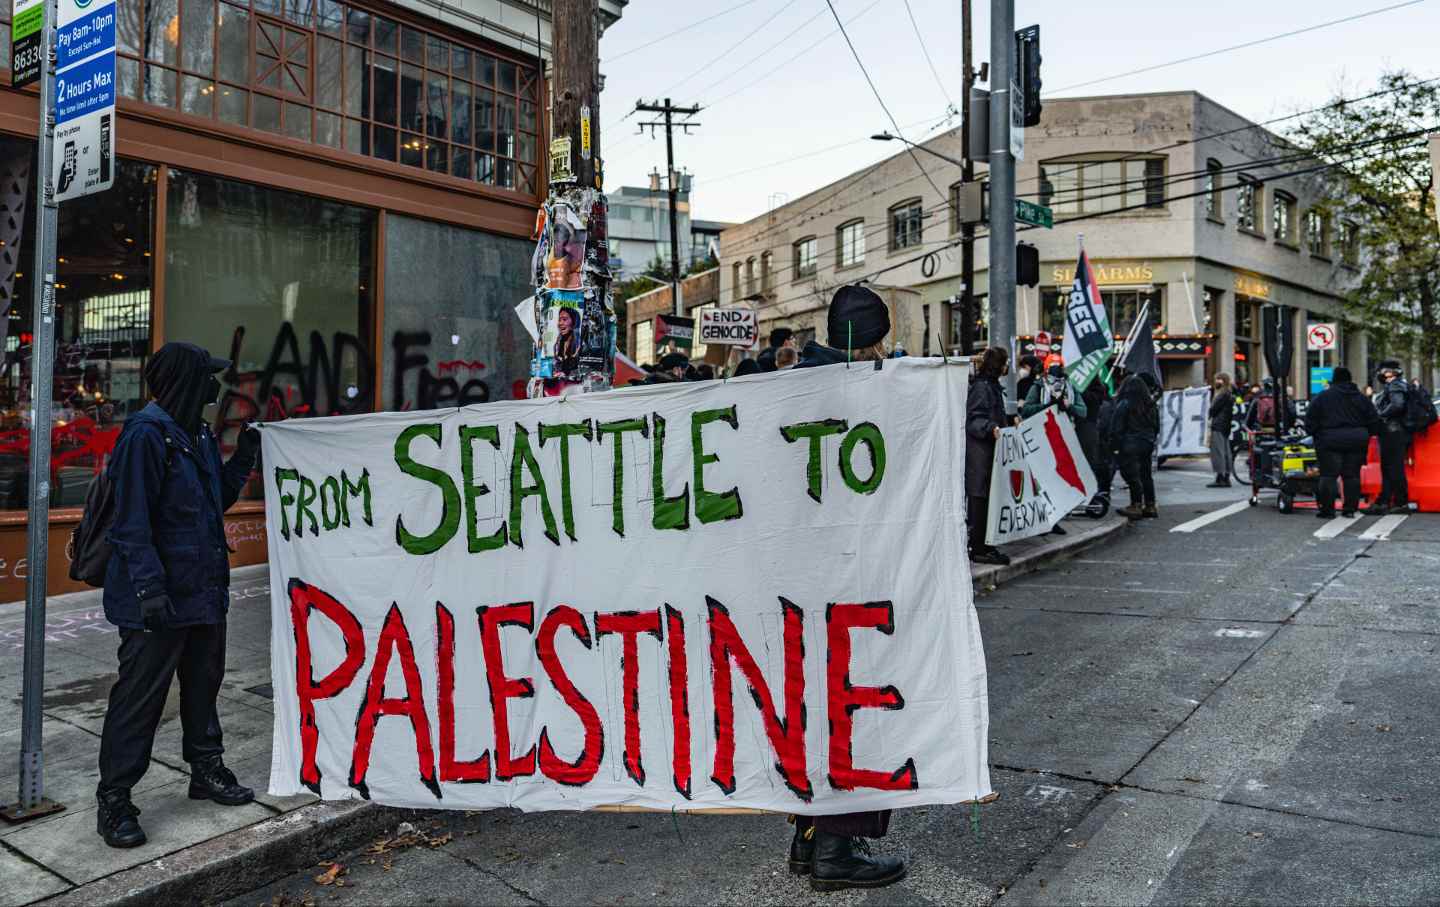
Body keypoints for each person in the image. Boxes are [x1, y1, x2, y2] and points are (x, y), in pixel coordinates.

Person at [96, 342, 261, 849]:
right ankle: (115, 797)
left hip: (204, 590)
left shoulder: (198, 435)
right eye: (206, 378)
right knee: (140, 697)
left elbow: (217, 502)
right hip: (159, 598)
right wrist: (149, 589)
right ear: (184, 381)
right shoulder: (146, 436)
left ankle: (205, 768)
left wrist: (243, 461)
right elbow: (130, 521)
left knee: (203, 682)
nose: (214, 388)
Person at [788, 285, 906, 891]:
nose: (885, 350)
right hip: (845, 576)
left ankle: (810, 842)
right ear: (863, 339)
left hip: (800, 581)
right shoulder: (852, 391)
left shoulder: (790, 387)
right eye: (880, 338)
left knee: (814, 708)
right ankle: (836, 851)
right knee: (852, 710)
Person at [1305, 366, 1380, 518]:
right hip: (1356, 440)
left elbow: (1310, 420)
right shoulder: (1361, 398)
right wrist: (1365, 434)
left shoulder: (1323, 397)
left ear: (1334, 379)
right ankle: (1350, 509)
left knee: (1328, 476)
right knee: (1352, 476)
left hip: (1329, 440)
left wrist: (1315, 434)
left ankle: (1328, 510)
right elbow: (1374, 420)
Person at [1022, 364, 1087, 535]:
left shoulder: (1071, 389)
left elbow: (1083, 411)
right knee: (1041, 481)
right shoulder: (1038, 387)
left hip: (1063, 440)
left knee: (1058, 481)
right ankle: (1042, 520)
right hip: (1041, 438)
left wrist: (1068, 406)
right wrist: (1046, 407)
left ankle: (1054, 519)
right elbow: (1026, 410)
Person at [966, 347, 1011, 565]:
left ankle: (985, 545)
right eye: (1005, 362)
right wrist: (991, 427)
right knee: (980, 501)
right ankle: (978, 548)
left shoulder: (990, 386)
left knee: (987, 501)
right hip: (980, 457)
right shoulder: (982, 387)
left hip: (988, 455)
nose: (1007, 367)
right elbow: (974, 420)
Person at [1112, 371, 1160, 519]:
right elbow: (1156, 426)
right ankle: (1150, 505)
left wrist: (1116, 446)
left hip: (1129, 443)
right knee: (1146, 474)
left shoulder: (1125, 404)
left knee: (1132, 475)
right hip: (1147, 443)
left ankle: (1136, 505)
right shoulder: (1150, 404)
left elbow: (1116, 427)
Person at [1370, 360, 1412, 514]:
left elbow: (1397, 404)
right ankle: (1385, 501)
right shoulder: (1397, 385)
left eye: (1382, 371)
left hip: (1393, 432)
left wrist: (1380, 416)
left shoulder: (1395, 385)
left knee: (1393, 468)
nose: (1380, 374)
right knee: (1389, 468)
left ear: (1389, 372)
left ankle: (1400, 502)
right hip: (1393, 432)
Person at [1207, 373, 1236, 487]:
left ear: (1224, 380)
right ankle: (1226, 477)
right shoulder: (1228, 393)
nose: (1217, 381)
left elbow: (1213, 409)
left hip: (1218, 425)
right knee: (1225, 452)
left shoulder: (1222, 394)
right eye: (1216, 379)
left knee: (1218, 452)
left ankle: (1220, 478)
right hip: (1225, 426)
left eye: (1219, 379)